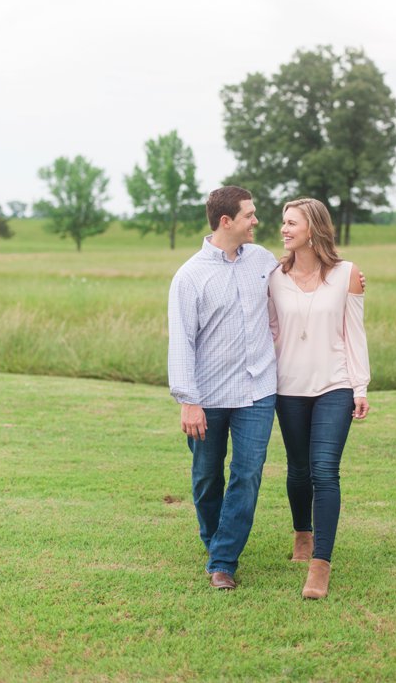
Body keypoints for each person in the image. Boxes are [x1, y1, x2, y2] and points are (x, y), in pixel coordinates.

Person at [167, 186, 279, 591]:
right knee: (206, 478)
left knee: (247, 474)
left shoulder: (264, 261)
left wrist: (348, 276)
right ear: (226, 221)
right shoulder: (190, 276)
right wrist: (188, 401)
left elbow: (305, 275)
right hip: (208, 397)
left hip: (259, 391)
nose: (256, 221)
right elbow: (182, 341)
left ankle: (223, 561)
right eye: (250, 215)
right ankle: (215, 541)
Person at [268, 197, 370, 600]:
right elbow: (271, 331)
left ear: (313, 228)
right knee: (297, 469)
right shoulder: (273, 276)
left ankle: (320, 564)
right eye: (282, 223)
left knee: (325, 470)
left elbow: (354, 334)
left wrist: (359, 386)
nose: (284, 229)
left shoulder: (348, 274)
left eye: (291, 222)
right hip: (288, 386)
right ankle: (302, 536)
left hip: (335, 384)